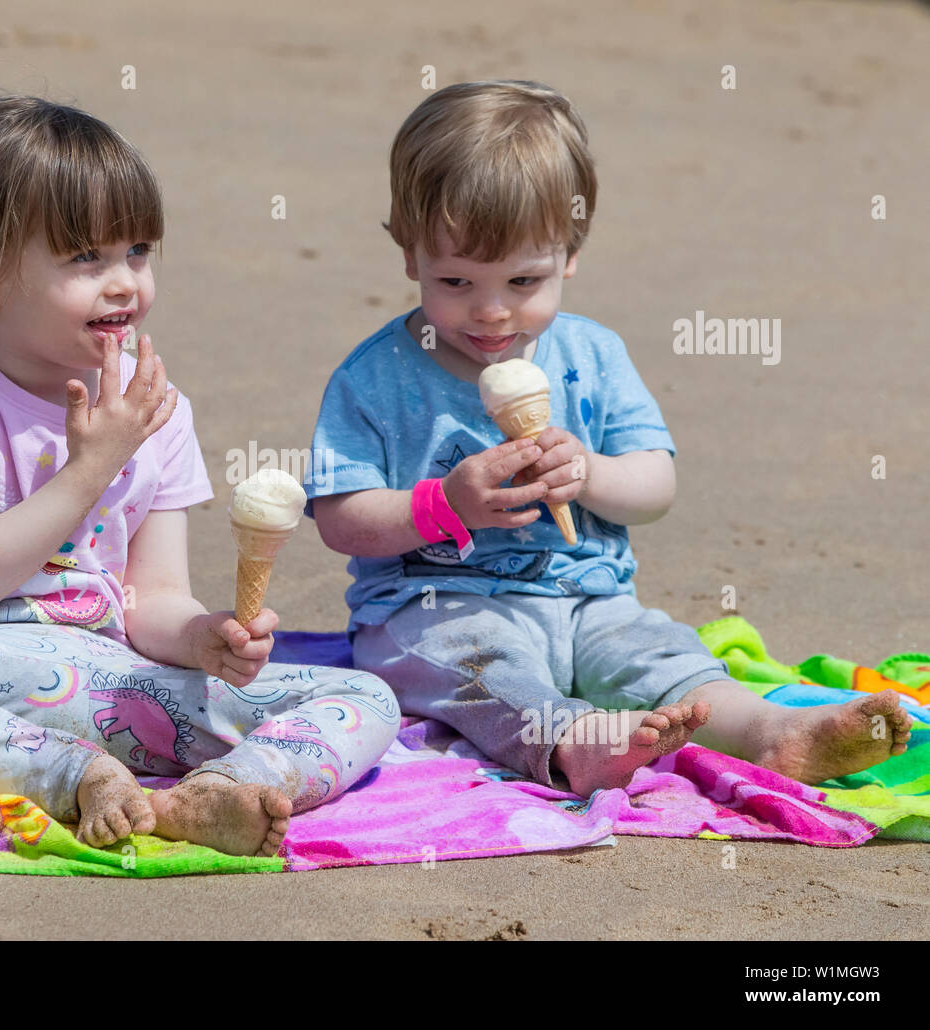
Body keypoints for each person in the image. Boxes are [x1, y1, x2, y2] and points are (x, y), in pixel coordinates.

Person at [0, 95, 400, 858]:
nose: (125, 284)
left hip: (116, 687)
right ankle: (71, 778)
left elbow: (151, 600)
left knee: (366, 694)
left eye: (138, 251)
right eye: (86, 258)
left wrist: (205, 638)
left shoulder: (155, 407)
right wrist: (92, 467)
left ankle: (214, 792)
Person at [305, 80, 911, 797]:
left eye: (524, 280)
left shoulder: (592, 357)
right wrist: (443, 506)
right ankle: (573, 743)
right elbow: (342, 520)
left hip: (590, 600)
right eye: (456, 280)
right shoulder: (374, 377)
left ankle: (772, 734)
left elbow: (656, 485)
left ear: (571, 252)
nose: (492, 311)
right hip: (437, 606)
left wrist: (590, 471)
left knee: (668, 659)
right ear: (410, 257)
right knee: (480, 675)